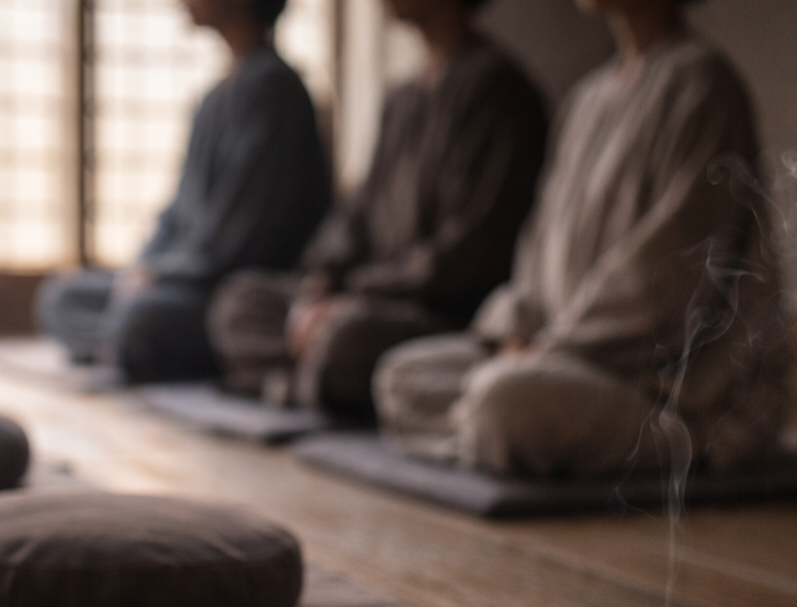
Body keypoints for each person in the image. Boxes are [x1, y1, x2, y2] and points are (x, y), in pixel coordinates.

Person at [374, 0, 790, 479]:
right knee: (399, 377)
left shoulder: (702, 83)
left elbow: (672, 271)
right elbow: (538, 246)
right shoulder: (585, 98)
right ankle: (495, 433)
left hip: (657, 384)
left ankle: (670, 441)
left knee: (502, 401)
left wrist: (555, 349)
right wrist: (516, 331)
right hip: (559, 357)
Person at [208, 0, 548, 418]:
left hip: (436, 309)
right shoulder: (402, 98)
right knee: (238, 304)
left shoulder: (497, 90)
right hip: (367, 294)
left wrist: (360, 294)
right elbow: (358, 213)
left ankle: (300, 385)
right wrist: (324, 282)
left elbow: (471, 251)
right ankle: (318, 388)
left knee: (346, 341)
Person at [35, 0, 331, 383]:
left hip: (228, 286)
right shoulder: (214, 97)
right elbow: (177, 210)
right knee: (61, 297)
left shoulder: (275, 89)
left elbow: (243, 229)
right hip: (184, 277)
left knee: (141, 320)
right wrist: (143, 268)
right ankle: (126, 348)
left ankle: (129, 346)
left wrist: (162, 274)